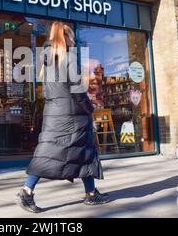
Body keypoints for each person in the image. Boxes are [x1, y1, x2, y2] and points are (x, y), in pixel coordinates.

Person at [15, 21, 108, 213]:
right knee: (59, 153)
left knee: (79, 152)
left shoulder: (48, 60)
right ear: (63, 37)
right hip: (72, 115)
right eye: (71, 36)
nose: (73, 40)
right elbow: (78, 91)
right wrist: (90, 108)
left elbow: (49, 91)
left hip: (55, 113)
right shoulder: (67, 59)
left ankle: (91, 193)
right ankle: (26, 191)